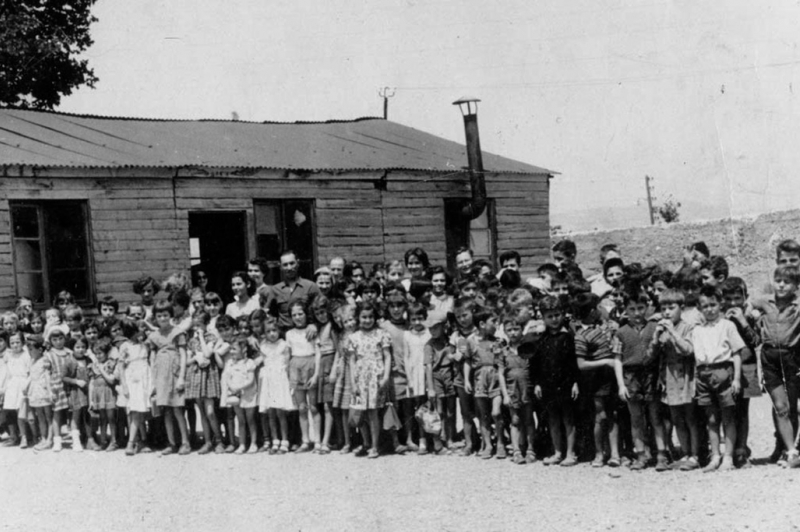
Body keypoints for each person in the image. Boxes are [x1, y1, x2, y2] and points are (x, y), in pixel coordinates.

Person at [613, 287, 668, 471]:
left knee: (655, 417)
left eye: (640, 308)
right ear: (625, 310)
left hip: (651, 375)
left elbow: (661, 356)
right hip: (631, 378)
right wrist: (621, 385)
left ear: (647, 308)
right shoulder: (620, 332)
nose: (637, 313)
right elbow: (617, 360)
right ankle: (641, 454)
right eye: (632, 309)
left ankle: (661, 453)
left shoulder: (654, 328)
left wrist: (661, 376)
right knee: (636, 419)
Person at [751, 265, 800, 468]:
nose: (781, 285)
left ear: (796, 286)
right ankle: (789, 450)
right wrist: (753, 312)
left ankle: (791, 451)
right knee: (780, 407)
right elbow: (749, 304)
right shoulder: (765, 301)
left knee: (791, 406)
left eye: (786, 282)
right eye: (778, 280)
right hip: (769, 356)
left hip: (792, 356)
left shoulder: (797, 306)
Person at [692, 285, 744, 472]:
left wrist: (736, 379)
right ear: (699, 309)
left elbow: (737, 353)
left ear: (720, 304)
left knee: (728, 416)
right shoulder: (697, 330)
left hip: (724, 371)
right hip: (704, 374)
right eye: (705, 306)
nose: (710, 309)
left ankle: (728, 457)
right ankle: (715, 456)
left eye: (713, 304)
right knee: (712, 419)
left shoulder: (727, 326)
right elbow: (695, 357)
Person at [651, 289, 700, 471]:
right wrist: (656, 337)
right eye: (663, 308)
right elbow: (652, 355)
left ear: (682, 308)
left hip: (686, 376)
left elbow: (688, 350)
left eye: (671, 308)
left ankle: (695, 455)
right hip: (670, 377)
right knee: (677, 418)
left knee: (690, 417)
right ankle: (685, 453)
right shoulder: (661, 329)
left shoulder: (688, 327)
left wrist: (673, 332)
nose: (667, 312)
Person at [572, 293, 620, 468]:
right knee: (600, 417)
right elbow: (582, 364)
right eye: (599, 307)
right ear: (592, 311)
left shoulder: (608, 327)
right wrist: (606, 361)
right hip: (597, 380)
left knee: (613, 414)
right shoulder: (581, 335)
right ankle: (599, 453)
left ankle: (615, 453)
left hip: (612, 377)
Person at [533, 296, 580, 467]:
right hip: (548, 384)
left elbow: (574, 363)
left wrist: (575, 382)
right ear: (543, 318)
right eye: (550, 316)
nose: (554, 319)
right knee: (552, 418)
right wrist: (537, 383)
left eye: (557, 315)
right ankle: (557, 451)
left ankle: (571, 453)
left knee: (568, 419)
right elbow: (536, 364)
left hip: (566, 383)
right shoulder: (542, 339)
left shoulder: (568, 337)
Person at [343, 302, 392, 459]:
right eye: (364, 317)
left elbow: (387, 356)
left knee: (373, 412)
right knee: (360, 412)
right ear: (358, 318)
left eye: (371, 317)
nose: (367, 320)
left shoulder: (381, 334)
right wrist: (353, 382)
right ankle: (365, 442)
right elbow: (351, 360)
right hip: (360, 377)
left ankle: (375, 446)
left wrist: (385, 376)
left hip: (375, 376)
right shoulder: (353, 337)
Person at [720, 277, 761, 467]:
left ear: (745, 297)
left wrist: (743, 321)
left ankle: (741, 450)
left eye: (737, 298)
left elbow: (755, 341)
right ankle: (729, 448)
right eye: (728, 299)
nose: (733, 303)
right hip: (726, 367)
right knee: (728, 409)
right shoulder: (720, 318)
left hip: (746, 366)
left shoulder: (751, 317)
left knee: (743, 410)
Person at [147, 301, 190, 456]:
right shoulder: (154, 336)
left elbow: (183, 354)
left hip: (175, 372)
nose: (163, 318)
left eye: (165, 315)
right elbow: (151, 358)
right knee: (166, 411)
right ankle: (171, 443)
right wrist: (152, 380)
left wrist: (181, 378)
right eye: (159, 316)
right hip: (161, 375)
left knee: (178, 409)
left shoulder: (177, 332)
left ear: (171, 316)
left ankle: (185, 442)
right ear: (155, 318)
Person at [464, 306, 505, 460]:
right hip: (479, 378)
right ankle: (487, 444)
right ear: (482, 324)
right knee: (483, 415)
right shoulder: (470, 341)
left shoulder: (498, 341)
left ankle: (500, 442)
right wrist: (467, 380)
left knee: (496, 412)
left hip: (495, 378)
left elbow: (503, 362)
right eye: (493, 321)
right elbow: (467, 361)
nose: (496, 324)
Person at [497, 314, 535, 464]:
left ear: (522, 330)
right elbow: (500, 374)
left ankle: (531, 449)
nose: (513, 333)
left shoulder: (528, 348)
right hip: (512, 390)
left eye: (516, 329)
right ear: (505, 332)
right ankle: (516, 451)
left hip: (527, 389)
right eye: (509, 330)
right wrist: (505, 395)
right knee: (515, 420)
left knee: (529, 419)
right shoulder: (503, 351)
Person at [185, 310, 224, 455]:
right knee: (201, 411)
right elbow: (188, 361)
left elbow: (208, 354)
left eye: (199, 325)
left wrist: (201, 336)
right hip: (196, 376)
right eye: (195, 326)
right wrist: (195, 358)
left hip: (208, 377)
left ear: (207, 324)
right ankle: (207, 442)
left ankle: (219, 440)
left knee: (210, 412)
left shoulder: (211, 337)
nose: (196, 329)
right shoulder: (191, 341)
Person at [285, 300, 321, 452]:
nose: (298, 317)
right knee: (301, 407)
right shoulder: (289, 334)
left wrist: (316, 374)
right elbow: (288, 355)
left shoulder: (312, 330)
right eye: (294, 315)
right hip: (296, 368)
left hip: (310, 366)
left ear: (306, 314)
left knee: (313, 407)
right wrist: (288, 375)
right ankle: (305, 441)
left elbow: (318, 353)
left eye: (300, 314)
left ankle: (318, 441)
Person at [256, 315, 295, 455]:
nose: (272, 334)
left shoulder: (283, 345)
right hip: (268, 381)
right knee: (270, 413)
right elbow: (262, 360)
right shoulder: (263, 346)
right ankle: (275, 440)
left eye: (274, 330)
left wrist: (290, 383)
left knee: (281, 412)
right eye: (268, 331)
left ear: (278, 330)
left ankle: (285, 441)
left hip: (280, 380)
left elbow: (288, 364)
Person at [263, 250, 321, 331]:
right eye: (285, 265)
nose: (289, 268)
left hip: (306, 333)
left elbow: (322, 310)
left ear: (297, 263)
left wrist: (314, 325)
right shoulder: (275, 289)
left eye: (292, 263)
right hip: (284, 334)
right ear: (280, 267)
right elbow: (267, 313)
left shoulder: (310, 286)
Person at [117, 319, 152, 456]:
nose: (141, 332)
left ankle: (142, 441)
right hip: (133, 378)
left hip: (145, 377)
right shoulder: (125, 346)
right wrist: (124, 385)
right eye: (138, 330)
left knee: (141, 410)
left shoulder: (144, 343)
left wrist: (147, 324)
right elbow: (120, 367)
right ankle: (131, 442)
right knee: (135, 410)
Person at [450, 296, 477, 456]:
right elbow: (450, 354)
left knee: (482, 412)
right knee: (466, 413)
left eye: (465, 315)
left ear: (473, 312)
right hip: (461, 378)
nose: (462, 320)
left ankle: (487, 441)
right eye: (458, 317)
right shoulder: (456, 335)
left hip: (479, 376)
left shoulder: (479, 332)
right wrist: (455, 356)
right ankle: (469, 443)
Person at [424, 321, 457, 453]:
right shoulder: (429, 345)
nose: (433, 331)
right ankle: (437, 442)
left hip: (449, 375)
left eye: (436, 327)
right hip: (436, 376)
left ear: (444, 327)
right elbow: (428, 367)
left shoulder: (450, 342)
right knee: (438, 411)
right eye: (430, 328)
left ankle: (449, 439)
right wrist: (431, 388)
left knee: (450, 411)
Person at [403, 303, 431, 454]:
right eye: (413, 319)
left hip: (426, 373)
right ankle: (409, 439)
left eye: (420, 318)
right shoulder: (407, 335)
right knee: (409, 408)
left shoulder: (428, 334)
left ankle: (423, 440)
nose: (417, 322)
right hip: (413, 374)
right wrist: (409, 378)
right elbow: (406, 358)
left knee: (423, 408)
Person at [224, 336, 259, 454]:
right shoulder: (229, 363)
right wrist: (232, 387)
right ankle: (242, 444)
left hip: (248, 395)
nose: (231, 352)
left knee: (250, 419)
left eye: (234, 349)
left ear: (243, 349)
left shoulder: (249, 363)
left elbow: (250, 380)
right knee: (241, 420)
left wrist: (239, 387)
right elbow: (227, 378)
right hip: (236, 396)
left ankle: (253, 443)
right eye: (230, 349)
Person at [311, 296, 337, 454]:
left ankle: (326, 441)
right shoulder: (318, 328)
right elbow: (318, 352)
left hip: (331, 362)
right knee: (319, 405)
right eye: (318, 313)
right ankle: (318, 441)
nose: (321, 315)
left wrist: (334, 370)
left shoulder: (331, 327)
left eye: (323, 312)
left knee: (328, 405)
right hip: (321, 366)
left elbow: (338, 349)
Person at [331, 304, 357, 453]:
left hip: (358, 371)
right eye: (346, 321)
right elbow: (338, 353)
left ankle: (362, 440)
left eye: (352, 320)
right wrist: (335, 369)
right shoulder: (341, 336)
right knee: (344, 409)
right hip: (345, 372)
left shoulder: (360, 334)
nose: (349, 324)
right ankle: (347, 441)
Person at [88, 339, 118, 451]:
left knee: (111, 418)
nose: (98, 356)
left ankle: (114, 441)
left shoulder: (109, 364)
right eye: (96, 354)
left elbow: (111, 380)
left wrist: (101, 369)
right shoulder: (93, 365)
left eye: (100, 353)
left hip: (108, 393)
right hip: (98, 394)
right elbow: (91, 382)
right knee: (102, 418)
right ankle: (103, 440)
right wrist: (91, 399)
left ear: (106, 353)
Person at [62, 336, 91, 451]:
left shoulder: (88, 360)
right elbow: (63, 377)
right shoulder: (69, 360)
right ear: (72, 348)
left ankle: (88, 438)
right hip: (75, 391)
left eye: (83, 347)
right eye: (77, 347)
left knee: (87, 414)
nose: (80, 349)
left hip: (87, 390)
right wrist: (76, 381)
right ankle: (76, 441)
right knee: (76, 415)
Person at [26, 334, 53, 451]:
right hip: (35, 392)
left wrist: (50, 391)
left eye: (31, 349)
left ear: (40, 350)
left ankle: (50, 439)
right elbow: (31, 376)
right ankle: (43, 437)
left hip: (44, 391)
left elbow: (47, 376)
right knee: (40, 417)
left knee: (48, 416)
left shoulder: (45, 360)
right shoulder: (32, 361)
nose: (29, 352)